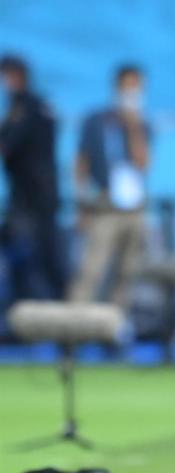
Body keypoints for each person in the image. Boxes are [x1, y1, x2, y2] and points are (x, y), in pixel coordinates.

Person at [71, 64, 150, 308]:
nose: (132, 92)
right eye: (128, 86)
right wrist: (81, 203)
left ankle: (113, 328)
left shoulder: (143, 125)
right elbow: (81, 164)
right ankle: (74, 329)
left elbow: (142, 163)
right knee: (91, 270)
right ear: (117, 88)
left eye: (137, 87)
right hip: (104, 205)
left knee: (126, 273)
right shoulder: (96, 121)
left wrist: (133, 127)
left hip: (133, 207)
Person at [0, 54, 65, 305]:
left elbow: (7, 144)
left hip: (31, 197)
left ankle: (36, 316)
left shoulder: (25, 108)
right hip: (39, 193)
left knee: (33, 258)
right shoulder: (39, 105)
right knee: (44, 256)